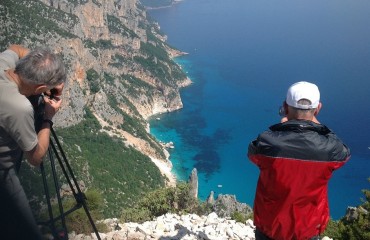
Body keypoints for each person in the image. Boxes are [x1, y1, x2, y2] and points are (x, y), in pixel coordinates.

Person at [248, 81, 350, 240]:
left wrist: (282, 128)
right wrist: (318, 126)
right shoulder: (329, 148)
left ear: (285, 107)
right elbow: (344, 152)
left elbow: (252, 152)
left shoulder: (268, 142)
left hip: (269, 227)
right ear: (318, 108)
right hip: (307, 230)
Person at [0, 44, 66, 239]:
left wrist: (39, 68)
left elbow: (16, 48)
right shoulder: (19, 107)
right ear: (39, 88)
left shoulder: (4, 63)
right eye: (46, 89)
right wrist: (47, 117)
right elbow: (35, 157)